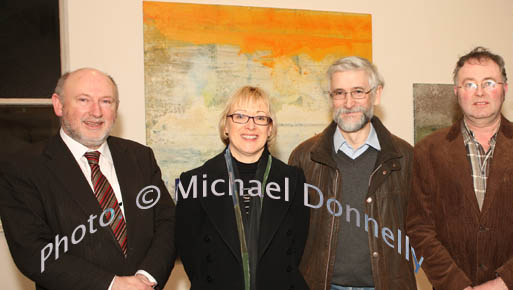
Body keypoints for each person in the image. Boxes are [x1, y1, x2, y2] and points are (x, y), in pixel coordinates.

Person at [0, 68, 175, 290]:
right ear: (58, 105)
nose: (96, 112)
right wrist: (113, 285)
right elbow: (33, 251)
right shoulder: (24, 168)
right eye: (84, 100)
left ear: (116, 108)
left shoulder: (140, 157)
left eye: (106, 101)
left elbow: (166, 223)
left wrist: (147, 277)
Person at [406, 47, 513, 290]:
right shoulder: (428, 150)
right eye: (469, 84)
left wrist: (502, 284)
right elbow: (419, 228)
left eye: (489, 82)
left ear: (504, 89)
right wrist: (456, 285)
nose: (480, 92)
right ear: (456, 92)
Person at [289, 56, 417, 290]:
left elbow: (422, 230)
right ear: (331, 98)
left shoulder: (406, 157)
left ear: (376, 94)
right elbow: (290, 236)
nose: (348, 103)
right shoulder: (304, 157)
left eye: (358, 92)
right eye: (339, 93)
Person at [175, 86, 310, 290]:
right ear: (226, 126)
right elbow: (192, 259)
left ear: (270, 128)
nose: (250, 126)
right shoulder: (193, 182)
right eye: (240, 116)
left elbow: (296, 252)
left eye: (260, 118)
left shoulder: (294, 181)